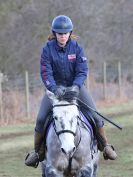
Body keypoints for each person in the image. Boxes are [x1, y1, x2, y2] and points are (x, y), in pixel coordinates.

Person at [25, 15, 117, 168]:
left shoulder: (77, 48)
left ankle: (105, 146)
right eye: (60, 33)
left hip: (76, 89)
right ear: (54, 33)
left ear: (70, 33)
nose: (63, 36)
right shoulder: (47, 49)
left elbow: (82, 71)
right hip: (54, 91)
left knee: (95, 115)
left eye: (65, 33)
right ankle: (36, 153)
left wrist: (75, 86)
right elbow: (45, 72)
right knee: (41, 119)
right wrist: (54, 88)